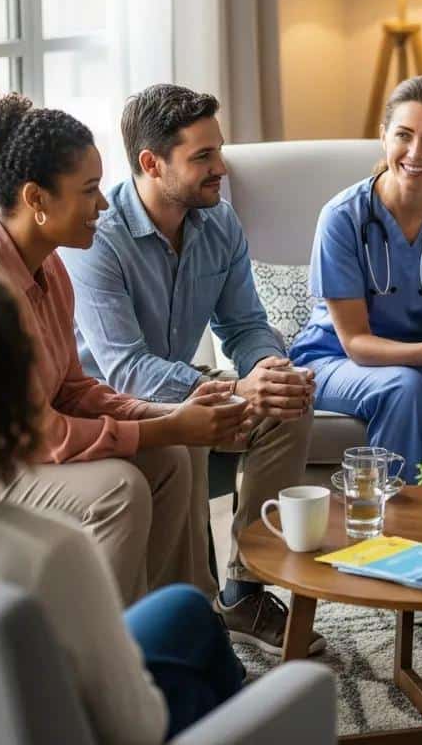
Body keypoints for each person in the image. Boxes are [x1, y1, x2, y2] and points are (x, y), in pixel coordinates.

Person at [0, 92, 248, 606]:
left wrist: (169, 416)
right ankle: (107, 640)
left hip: (28, 447)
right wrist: (167, 425)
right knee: (119, 490)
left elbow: (73, 389)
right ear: (37, 199)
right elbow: (42, 435)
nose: (103, 205)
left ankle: (177, 620)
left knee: (172, 458)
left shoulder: (50, 267)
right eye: (89, 190)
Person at [0, 269, 244, 745]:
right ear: (13, 408)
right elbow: (135, 732)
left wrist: (162, 419)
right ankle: (250, 733)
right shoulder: (53, 553)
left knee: (181, 612)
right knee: (191, 623)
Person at [60, 84, 320, 656]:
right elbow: (125, 371)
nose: (221, 167)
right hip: (113, 405)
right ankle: (194, 610)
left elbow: (245, 324)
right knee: (190, 425)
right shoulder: (96, 238)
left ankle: (244, 590)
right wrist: (233, 388)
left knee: (287, 407)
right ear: (152, 163)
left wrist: (269, 370)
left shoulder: (218, 221)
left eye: (218, 151)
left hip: (183, 381)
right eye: (203, 156)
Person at [289, 75, 422, 483]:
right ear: (383, 137)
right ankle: (396, 518)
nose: (416, 152)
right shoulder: (342, 217)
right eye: (404, 135)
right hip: (335, 359)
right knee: (404, 388)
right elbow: (356, 342)